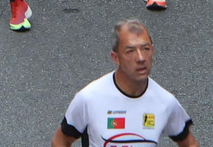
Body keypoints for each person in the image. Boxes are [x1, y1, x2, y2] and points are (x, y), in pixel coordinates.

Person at [54, 20, 197, 147]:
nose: (141, 58)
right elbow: (60, 141)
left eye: (145, 49)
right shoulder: (88, 99)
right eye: (130, 51)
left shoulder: (166, 102)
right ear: (115, 58)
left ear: (152, 51)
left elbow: (189, 143)